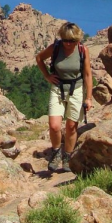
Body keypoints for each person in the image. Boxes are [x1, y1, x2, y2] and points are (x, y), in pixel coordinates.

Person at [35, 22, 93, 172]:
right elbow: (39, 58)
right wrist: (47, 76)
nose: (68, 43)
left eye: (72, 41)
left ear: (78, 40)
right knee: (54, 126)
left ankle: (67, 156)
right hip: (57, 89)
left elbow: (87, 74)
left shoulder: (82, 50)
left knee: (71, 127)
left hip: (76, 89)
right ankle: (55, 152)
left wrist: (89, 98)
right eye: (65, 40)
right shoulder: (56, 48)